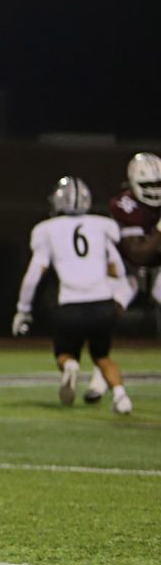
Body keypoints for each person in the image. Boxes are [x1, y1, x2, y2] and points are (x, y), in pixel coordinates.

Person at [12, 176, 132, 415]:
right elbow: (117, 270)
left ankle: (71, 366)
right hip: (102, 303)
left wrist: (23, 309)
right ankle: (121, 396)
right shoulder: (101, 225)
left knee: (64, 353)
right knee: (102, 356)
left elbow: (35, 273)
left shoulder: (46, 230)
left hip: (70, 305)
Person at [86, 152, 161, 400]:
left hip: (157, 264)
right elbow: (138, 254)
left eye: (158, 184)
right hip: (124, 268)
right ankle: (101, 370)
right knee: (110, 312)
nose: (154, 190)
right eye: (148, 185)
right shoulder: (125, 204)